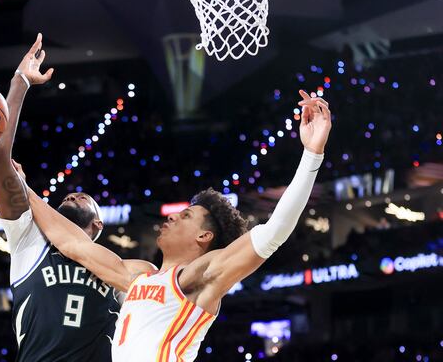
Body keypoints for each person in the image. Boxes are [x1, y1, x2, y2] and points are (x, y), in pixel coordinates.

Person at [24, 89, 332, 361]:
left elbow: (274, 231)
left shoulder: (200, 278)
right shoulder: (138, 275)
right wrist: (21, 189)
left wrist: (311, 155)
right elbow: (73, 244)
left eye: (185, 216)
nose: (171, 217)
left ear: (204, 235)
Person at [0, 34, 154, 361]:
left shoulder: (115, 268)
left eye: (84, 197)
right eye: (72, 194)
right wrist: (19, 84)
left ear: (98, 224)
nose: (73, 193)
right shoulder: (28, 236)